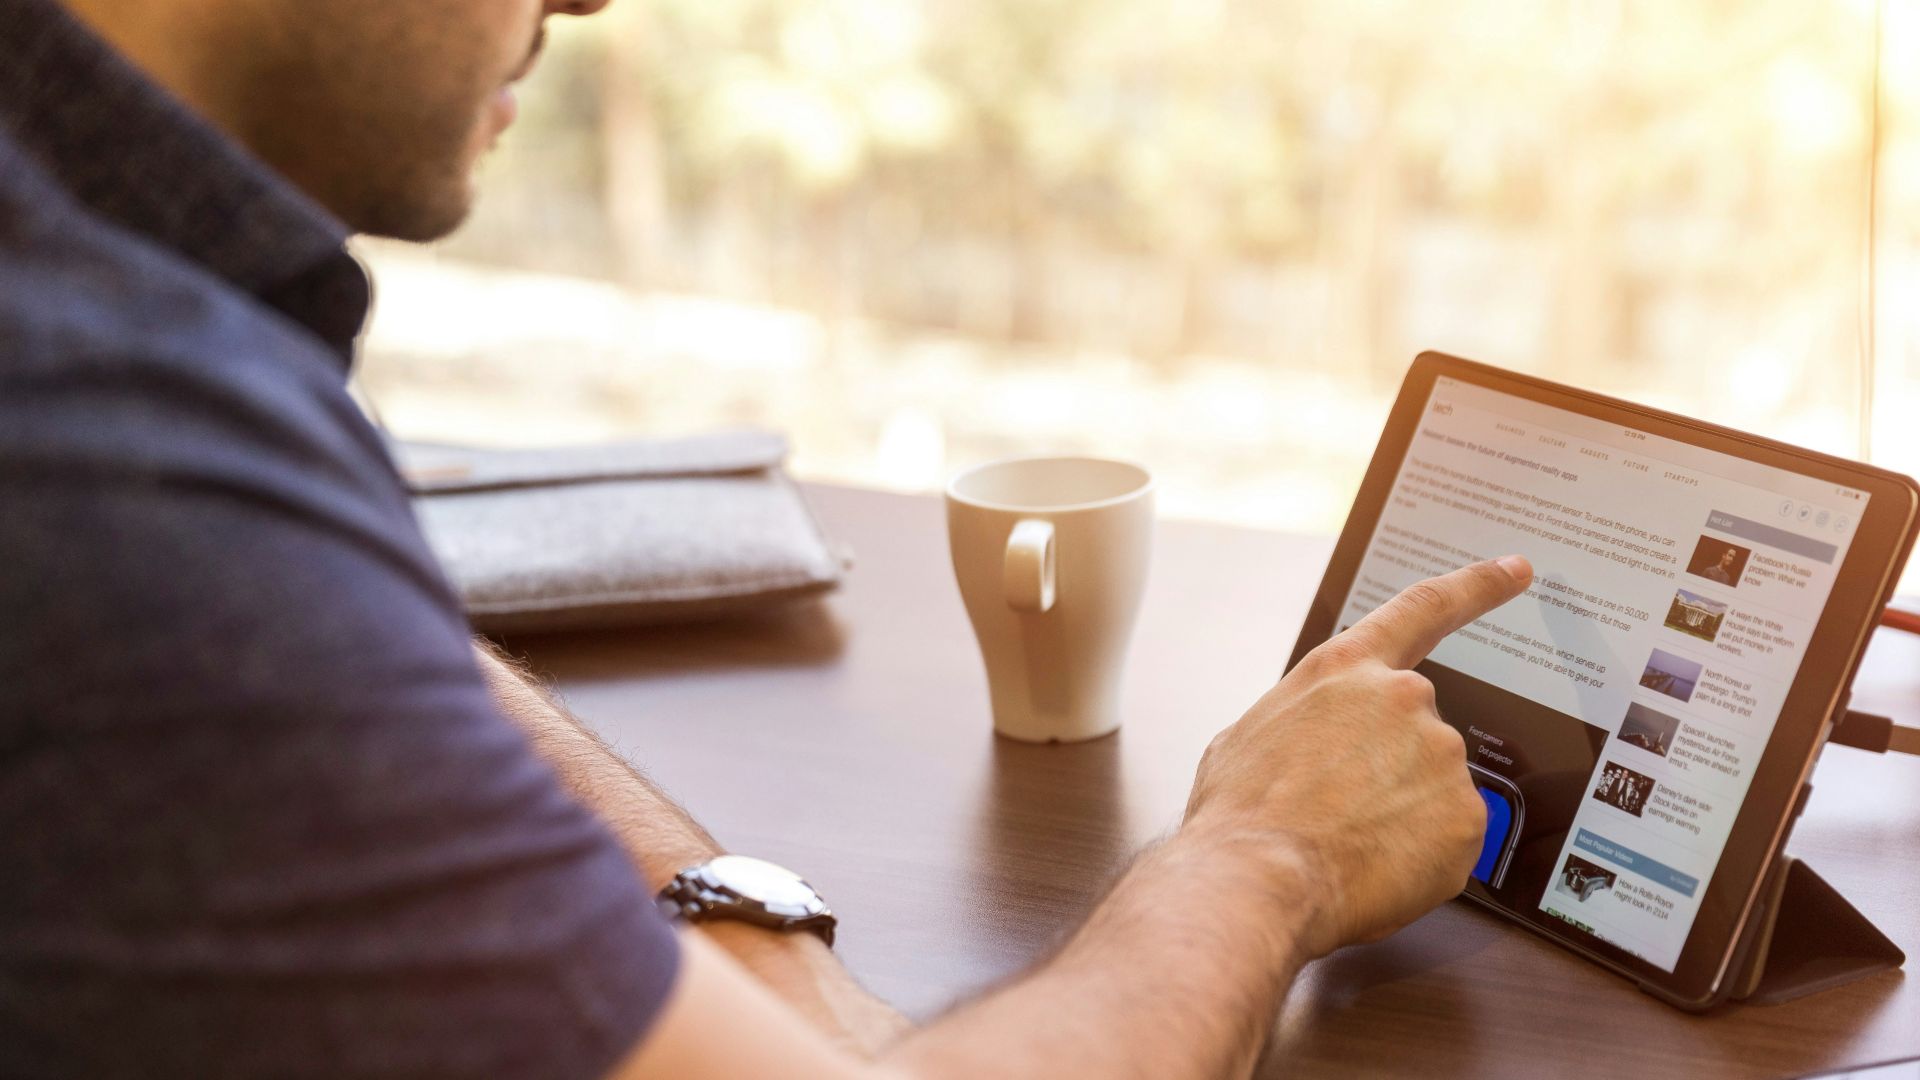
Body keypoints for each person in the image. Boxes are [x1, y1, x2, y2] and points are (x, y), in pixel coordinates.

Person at [0, 0, 1535, 1075]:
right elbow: (217, 607)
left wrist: (749, 941)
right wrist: (1261, 855)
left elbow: (326, 635)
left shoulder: (116, 331)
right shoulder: (96, 451)